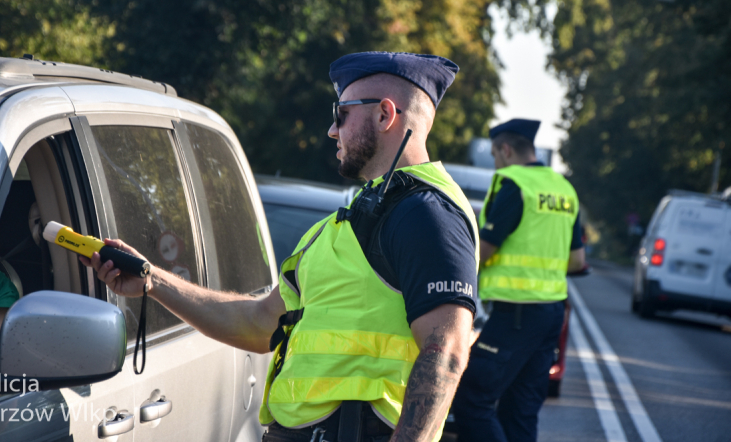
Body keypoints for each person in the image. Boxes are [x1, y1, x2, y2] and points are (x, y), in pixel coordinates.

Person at [81, 52, 480, 442]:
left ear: (384, 115)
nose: (331, 130)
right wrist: (152, 279)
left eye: (341, 114)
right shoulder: (345, 224)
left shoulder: (426, 213)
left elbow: (445, 352)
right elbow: (258, 322)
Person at [452, 118, 586, 442]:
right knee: (521, 409)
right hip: (552, 312)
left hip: (516, 314)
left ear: (506, 150)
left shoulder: (512, 183)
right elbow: (578, 261)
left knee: (472, 398)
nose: (497, 163)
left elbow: (484, 249)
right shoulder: (564, 189)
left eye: (496, 155)